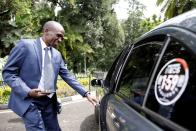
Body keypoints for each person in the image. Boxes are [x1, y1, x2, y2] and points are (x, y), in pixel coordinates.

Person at [2, 21, 97, 131]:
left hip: (49, 103)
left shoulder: (57, 55)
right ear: (46, 31)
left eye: (62, 37)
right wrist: (28, 91)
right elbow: (8, 73)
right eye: (58, 35)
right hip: (30, 101)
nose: (60, 40)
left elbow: (68, 76)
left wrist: (86, 93)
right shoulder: (25, 46)